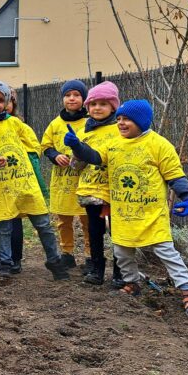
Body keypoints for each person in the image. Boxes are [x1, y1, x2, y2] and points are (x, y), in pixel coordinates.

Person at [64, 100, 188, 320]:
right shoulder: (114, 144)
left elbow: (174, 174)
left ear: (141, 120)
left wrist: (186, 196)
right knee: (122, 252)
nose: (120, 123)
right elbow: (94, 157)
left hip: (151, 215)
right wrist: (77, 146)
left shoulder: (158, 145)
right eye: (118, 119)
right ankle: (132, 283)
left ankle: (187, 290)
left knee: (167, 252)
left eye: (126, 119)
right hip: (123, 214)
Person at [0, 81, 70, 281]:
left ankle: (54, 260)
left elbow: (33, 145)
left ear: (6, 103)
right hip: (0, 186)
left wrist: (26, 162)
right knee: (4, 226)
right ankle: (5, 263)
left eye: (1, 99)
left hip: (25, 183)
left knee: (43, 224)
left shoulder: (14, 123)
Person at [68, 81, 123, 286]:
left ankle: (120, 272)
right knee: (95, 231)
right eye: (93, 104)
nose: (97, 108)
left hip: (114, 191)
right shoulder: (84, 132)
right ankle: (97, 270)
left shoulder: (120, 129)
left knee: (118, 233)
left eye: (103, 104)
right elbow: (76, 166)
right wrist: (76, 150)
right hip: (91, 191)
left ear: (113, 107)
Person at [41, 80, 91, 270]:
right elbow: (45, 146)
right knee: (63, 220)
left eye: (76, 95)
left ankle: (90, 255)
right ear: (63, 98)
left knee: (87, 220)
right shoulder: (55, 123)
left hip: (85, 181)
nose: (72, 98)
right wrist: (55, 156)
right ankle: (67, 253)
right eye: (68, 95)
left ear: (83, 99)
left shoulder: (89, 122)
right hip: (62, 181)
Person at [2, 88, 49, 274]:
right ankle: (2, 258)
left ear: (13, 105)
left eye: (7, 101)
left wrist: (20, 157)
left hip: (19, 179)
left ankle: (15, 259)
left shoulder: (20, 126)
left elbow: (34, 148)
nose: (4, 105)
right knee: (2, 222)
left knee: (15, 221)